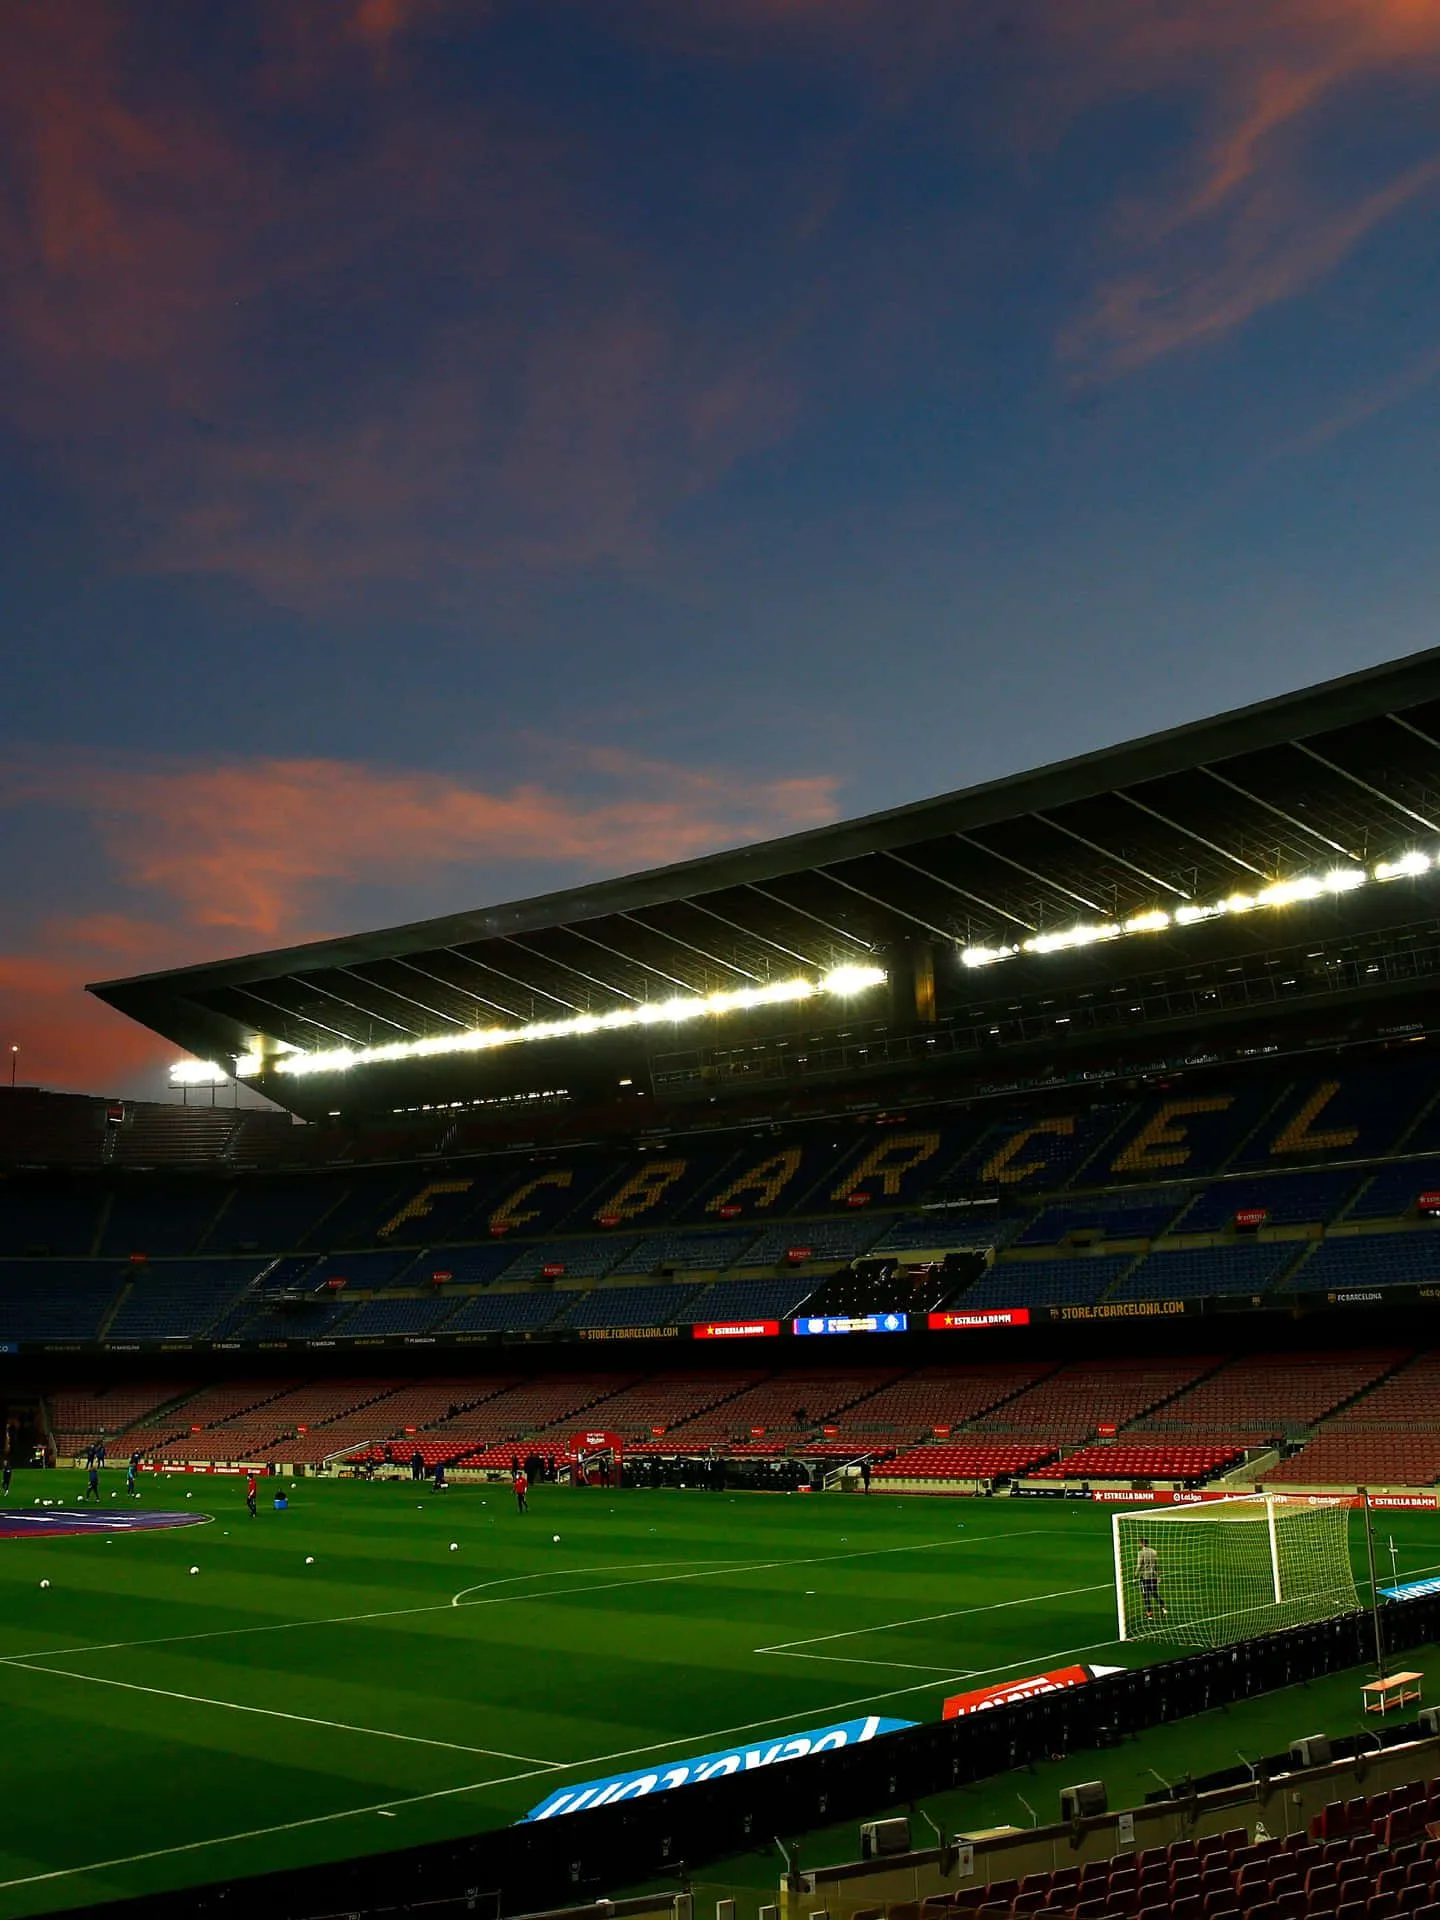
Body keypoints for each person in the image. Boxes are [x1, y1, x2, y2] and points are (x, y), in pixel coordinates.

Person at [1137, 1538, 1165, 1620]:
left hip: (1145, 1577)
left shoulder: (1141, 1553)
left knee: (1146, 1595)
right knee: (1154, 1593)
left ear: (1142, 1544)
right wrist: (1158, 1575)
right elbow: (1156, 1565)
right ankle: (1163, 1608)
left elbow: (1139, 1565)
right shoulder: (1154, 1552)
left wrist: (1135, 1575)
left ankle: (1149, 1613)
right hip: (1153, 1576)